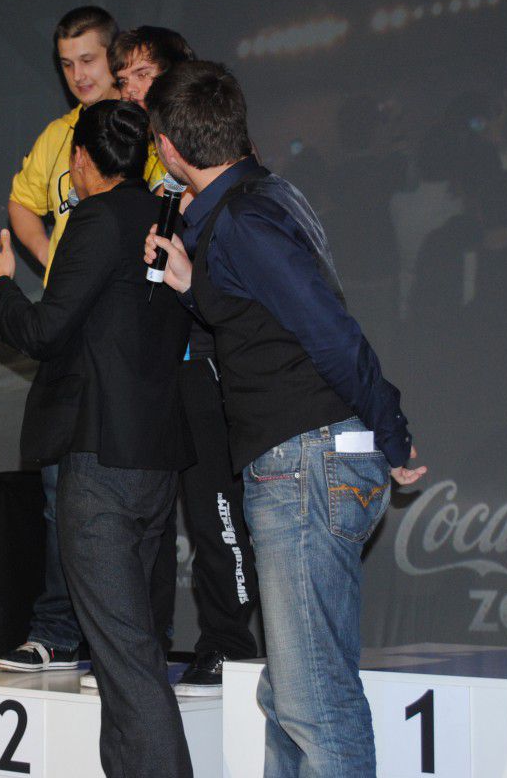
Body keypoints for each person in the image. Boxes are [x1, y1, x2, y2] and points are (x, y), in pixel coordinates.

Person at [144, 61, 426, 777]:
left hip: (304, 462)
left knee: (313, 704)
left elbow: (329, 331)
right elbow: (262, 319)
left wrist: (391, 430)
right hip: (313, 459)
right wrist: (191, 286)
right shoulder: (262, 201)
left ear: (170, 149)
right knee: (292, 696)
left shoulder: (243, 220)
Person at [0, 99, 195, 778]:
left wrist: (1, 287)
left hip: (101, 461)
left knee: (125, 661)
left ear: (79, 158)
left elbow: (46, 331)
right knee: (129, 654)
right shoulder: (168, 215)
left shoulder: (96, 218)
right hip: (154, 458)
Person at [0, 5, 169, 675]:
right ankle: (58, 631)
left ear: (116, 59)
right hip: (73, 330)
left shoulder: (146, 131)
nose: (78, 75)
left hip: (131, 339)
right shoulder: (57, 137)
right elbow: (21, 203)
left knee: (130, 510)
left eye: (90, 60)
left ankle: (127, 644)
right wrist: (52, 260)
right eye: (66, 64)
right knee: (58, 498)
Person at [111, 26, 262, 696]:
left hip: (206, 362)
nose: (129, 88)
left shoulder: (216, 166)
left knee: (213, 511)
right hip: (155, 366)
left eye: (142, 74)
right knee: (143, 514)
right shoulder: (141, 160)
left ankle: (229, 643)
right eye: (123, 77)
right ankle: (140, 644)